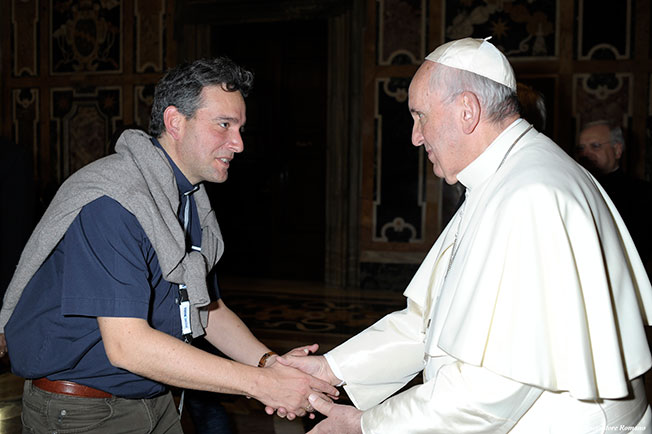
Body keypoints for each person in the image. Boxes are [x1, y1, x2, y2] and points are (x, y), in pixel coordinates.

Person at [276, 37, 652, 433]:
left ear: (467, 110)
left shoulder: (531, 194)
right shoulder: (504, 176)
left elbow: (492, 387)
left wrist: (365, 425)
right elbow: (429, 323)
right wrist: (331, 368)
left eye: (420, 116)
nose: (415, 136)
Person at [0, 57, 337, 433]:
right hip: (84, 410)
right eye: (224, 125)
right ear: (176, 122)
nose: (239, 144)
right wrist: (262, 385)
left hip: (155, 398)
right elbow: (128, 346)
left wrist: (270, 363)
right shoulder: (114, 202)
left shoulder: (188, 198)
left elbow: (208, 309)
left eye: (240, 128)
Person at [575, 120, 652, 273]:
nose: (585, 154)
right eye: (581, 148)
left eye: (595, 146)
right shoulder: (574, 187)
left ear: (617, 150)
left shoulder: (643, 193)